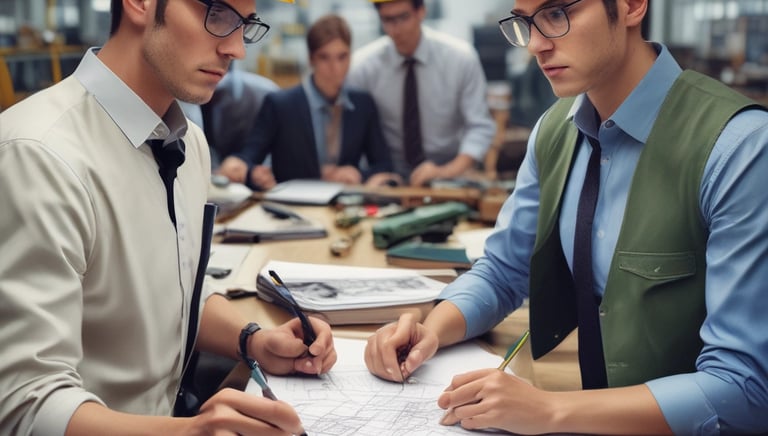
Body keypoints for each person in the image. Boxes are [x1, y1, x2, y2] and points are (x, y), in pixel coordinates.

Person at [364, 0, 768, 434]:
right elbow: (503, 271)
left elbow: (744, 390)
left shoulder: (740, 148)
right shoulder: (555, 130)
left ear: (631, 6)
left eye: (557, 14)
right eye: (525, 22)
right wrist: (431, 331)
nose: (536, 44)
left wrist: (550, 410)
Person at [0, 0, 336, 434]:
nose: (237, 49)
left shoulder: (188, 143)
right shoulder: (39, 155)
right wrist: (191, 432)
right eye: (217, 14)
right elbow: (24, 405)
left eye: (246, 24)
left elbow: (177, 286)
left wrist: (252, 339)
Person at [218, 14, 399, 191]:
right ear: (312, 59)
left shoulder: (363, 104)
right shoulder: (280, 104)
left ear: (351, 56)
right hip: (292, 206)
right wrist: (249, 172)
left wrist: (359, 174)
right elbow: (249, 157)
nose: (335, 68)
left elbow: (383, 165)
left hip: (344, 203)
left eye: (342, 57)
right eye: (324, 57)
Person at [347, 0, 496, 187]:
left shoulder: (460, 59)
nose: (396, 29)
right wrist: (370, 174)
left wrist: (446, 171)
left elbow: (479, 127)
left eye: (403, 17)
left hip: (447, 175)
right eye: (387, 20)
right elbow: (354, 134)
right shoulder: (363, 67)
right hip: (389, 178)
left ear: (421, 12)